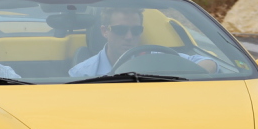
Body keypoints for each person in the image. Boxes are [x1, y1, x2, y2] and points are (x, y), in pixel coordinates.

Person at [69, 8, 217, 77]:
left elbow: (209, 63)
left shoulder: (159, 58)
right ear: (104, 31)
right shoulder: (82, 73)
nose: (128, 36)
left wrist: (183, 77)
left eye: (136, 30)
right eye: (120, 30)